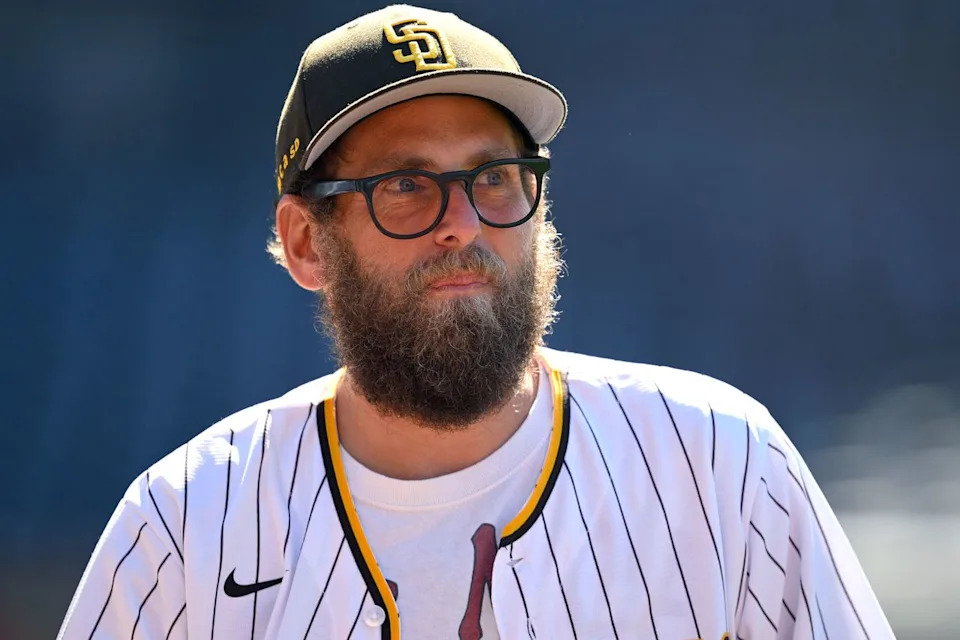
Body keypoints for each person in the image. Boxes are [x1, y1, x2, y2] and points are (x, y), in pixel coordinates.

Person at [59, 5, 894, 639]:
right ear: (306, 241)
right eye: (405, 187)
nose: (463, 222)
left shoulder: (722, 463)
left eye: (495, 177)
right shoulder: (182, 524)